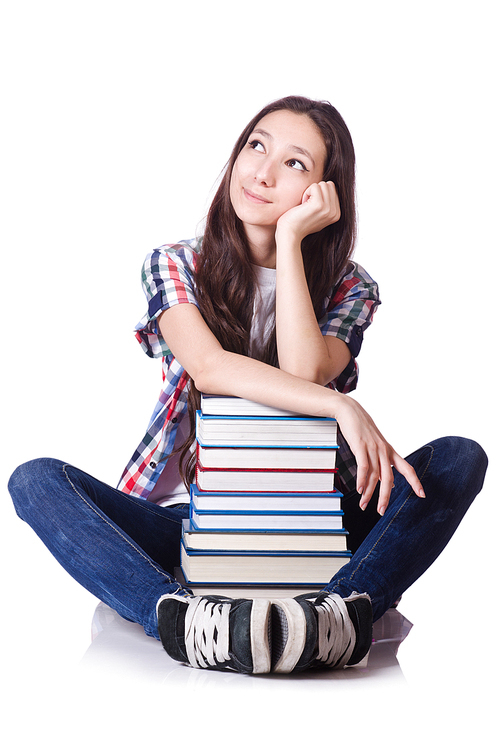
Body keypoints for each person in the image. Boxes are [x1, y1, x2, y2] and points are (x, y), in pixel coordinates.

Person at [8, 96, 487, 675]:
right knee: (36, 480)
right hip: (196, 522)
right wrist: (341, 406)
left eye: (295, 163)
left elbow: (303, 371)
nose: (260, 171)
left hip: (314, 518)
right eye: (256, 145)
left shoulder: (350, 288)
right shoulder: (174, 264)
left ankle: (339, 610)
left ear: (324, 193)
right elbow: (211, 369)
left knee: (459, 459)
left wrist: (289, 243)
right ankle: (185, 618)